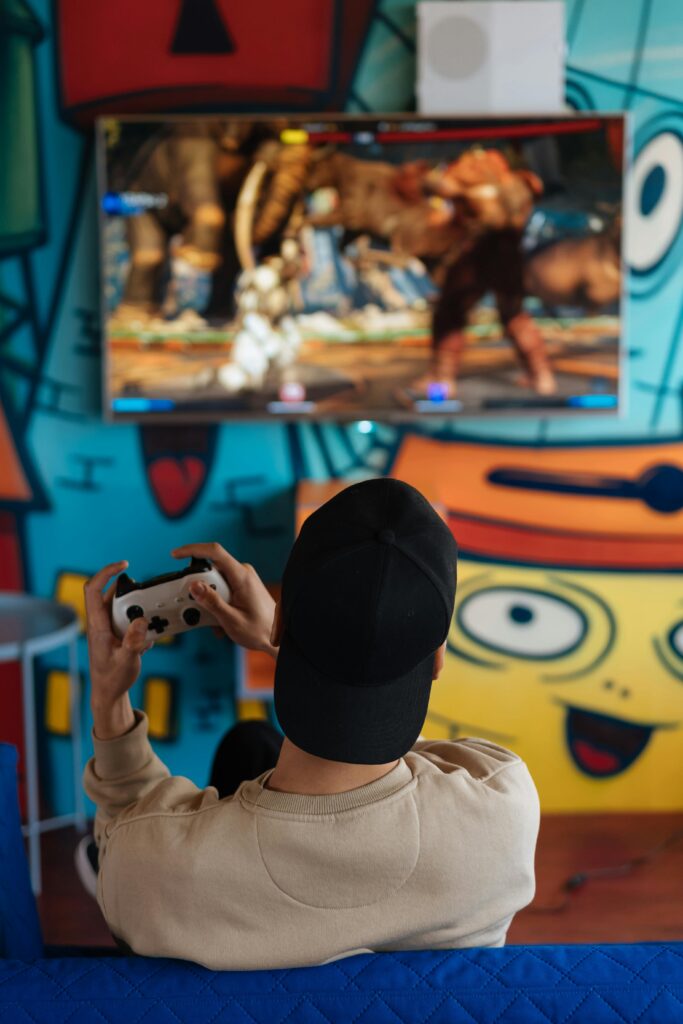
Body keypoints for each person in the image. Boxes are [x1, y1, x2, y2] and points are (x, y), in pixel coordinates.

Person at [81, 478, 539, 970]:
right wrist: (292, 641)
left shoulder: (151, 867)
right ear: (438, 659)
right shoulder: (503, 809)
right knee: (254, 745)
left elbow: (124, 834)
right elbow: (412, 762)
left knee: (248, 750)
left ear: (279, 622)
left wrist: (110, 703)